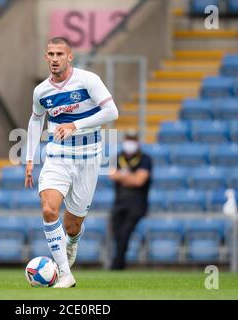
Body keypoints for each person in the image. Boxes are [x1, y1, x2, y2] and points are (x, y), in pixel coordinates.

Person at [24, 37, 119, 288]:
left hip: (89, 158)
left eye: (59, 54)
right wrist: (30, 159)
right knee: (48, 209)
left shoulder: (88, 80)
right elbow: (36, 121)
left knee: (73, 224)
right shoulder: (41, 91)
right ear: (46, 57)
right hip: (58, 156)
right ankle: (65, 274)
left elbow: (112, 112)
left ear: (70, 57)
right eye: (50, 54)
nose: (55, 59)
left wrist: (75, 125)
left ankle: (72, 242)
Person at [109, 131, 152, 270]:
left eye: (133, 139)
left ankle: (117, 265)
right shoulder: (118, 157)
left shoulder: (145, 158)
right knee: (117, 232)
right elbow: (112, 175)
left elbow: (139, 181)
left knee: (126, 232)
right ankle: (119, 262)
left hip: (137, 203)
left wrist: (123, 176)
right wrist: (130, 177)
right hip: (119, 202)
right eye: (128, 139)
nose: (130, 143)